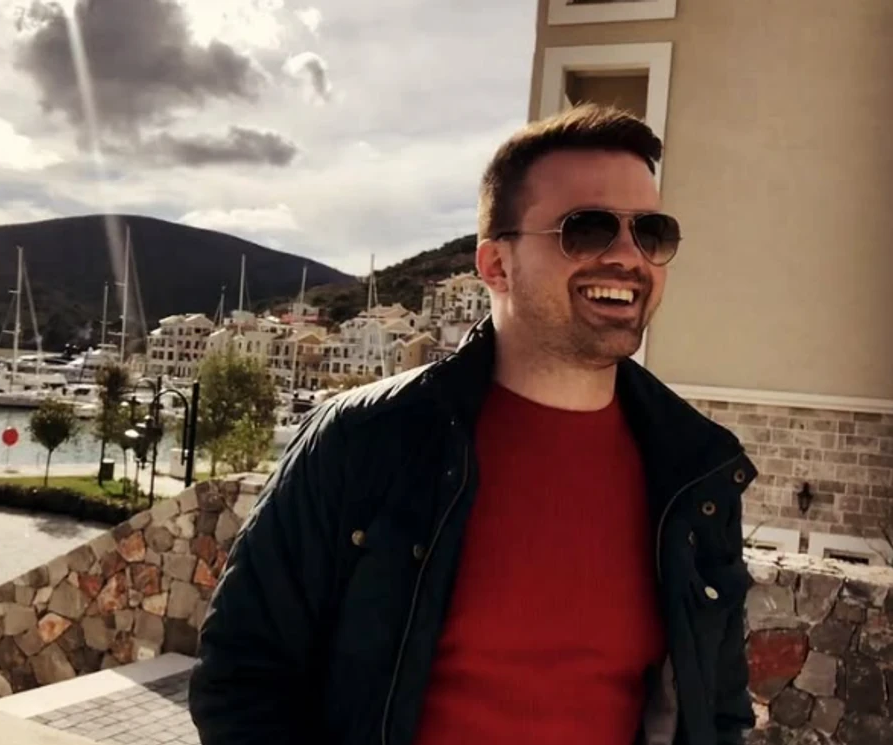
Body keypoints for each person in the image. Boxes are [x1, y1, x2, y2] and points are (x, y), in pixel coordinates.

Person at [188, 102, 757, 745]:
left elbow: (718, 711)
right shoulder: (365, 439)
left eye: (650, 232)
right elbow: (241, 679)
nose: (628, 256)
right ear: (495, 266)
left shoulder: (696, 471)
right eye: (588, 228)